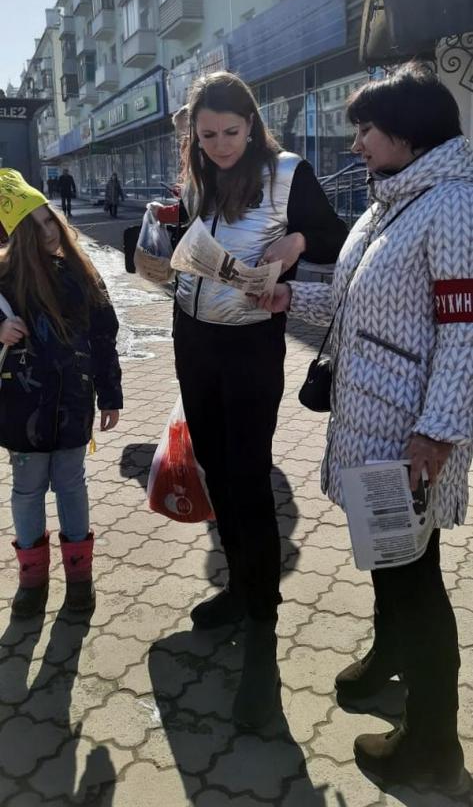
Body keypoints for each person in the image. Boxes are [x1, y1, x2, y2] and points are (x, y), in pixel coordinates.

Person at [260, 63, 473, 793]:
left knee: (417, 583)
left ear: (406, 134)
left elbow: (464, 332)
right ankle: (386, 658)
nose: (354, 144)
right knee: (392, 564)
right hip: (371, 429)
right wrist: (287, 295)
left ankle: (432, 747)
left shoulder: (450, 206)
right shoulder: (392, 204)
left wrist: (436, 432)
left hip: (409, 439)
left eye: (365, 131)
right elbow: (356, 309)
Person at [163, 71, 347, 729]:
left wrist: (296, 241)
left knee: (246, 475)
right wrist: (173, 239)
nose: (218, 145)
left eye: (230, 133)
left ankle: (262, 623)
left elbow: (335, 237)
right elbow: (194, 237)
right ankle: (239, 591)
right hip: (192, 339)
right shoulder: (199, 169)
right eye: (205, 134)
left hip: (249, 344)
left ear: (252, 123)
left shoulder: (287, 171)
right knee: (217, 470)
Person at [0, 169, 123, 618]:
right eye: (36, 227)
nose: (50, 231)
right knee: (27, 490)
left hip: (74, 402)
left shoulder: (82, 273)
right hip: (22, 409)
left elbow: (104, 337)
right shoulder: (5, 278)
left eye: (50, 220)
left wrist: (110, 394)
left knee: (71, 484)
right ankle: (31, 582)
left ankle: (79, 580)